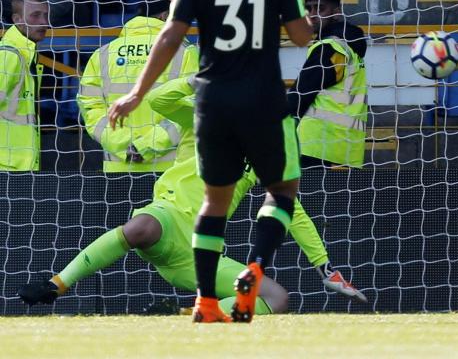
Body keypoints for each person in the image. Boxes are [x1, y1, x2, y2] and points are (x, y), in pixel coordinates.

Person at [107, 0, 314, 324]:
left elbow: (169, 36)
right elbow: (301, 37)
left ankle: (204, 301)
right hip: (262, 99)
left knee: (214, 202)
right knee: (280, 192)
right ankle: (254, 268)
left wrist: (137, 94)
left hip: (213, 100)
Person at [19, 75, 366, 312]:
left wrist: (325, 268)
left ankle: (182, 315)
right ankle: (57, 284)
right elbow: (159, 99)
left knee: (275, 298)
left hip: (199, 250)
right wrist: (197, 80)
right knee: (142, 228)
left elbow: (293, 213)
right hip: (168, 217)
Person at [77, 0, 198, 173]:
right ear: (165, 16)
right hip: (170, 170)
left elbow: (90, 109)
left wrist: (123, 144)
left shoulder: (102, 54)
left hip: (117, 167)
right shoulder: (186, 52)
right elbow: (191, 109)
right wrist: (146, 146)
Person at [289, 0, 368, 169]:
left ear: (336, 12)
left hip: (314, 147)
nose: (313, 14)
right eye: (308, 8)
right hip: (347, 149)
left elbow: (302, 92)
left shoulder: (332, 47)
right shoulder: (352, 50)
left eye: (320, 8)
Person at [0, 0, 48, 171]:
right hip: (7, 167)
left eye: (46, 15)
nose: (44, 22)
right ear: (17, 19)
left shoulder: (26, 54)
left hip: (19, 165)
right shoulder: (9, 56)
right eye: (35, 15)